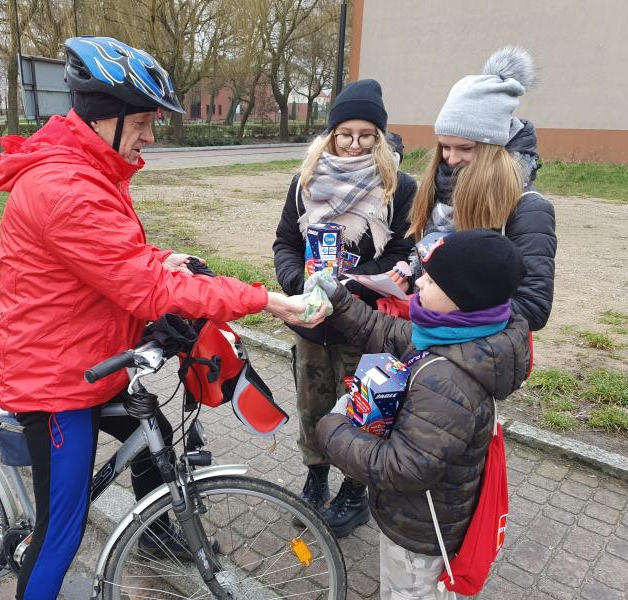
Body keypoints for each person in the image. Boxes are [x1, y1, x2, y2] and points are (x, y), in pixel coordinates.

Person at [0, 36, 322, 600]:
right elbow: (144, 288)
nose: (149, 136)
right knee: (60, 535)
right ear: (107, 117)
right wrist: (266, 299)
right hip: (57, 385)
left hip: (89, 362)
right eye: (143, 121)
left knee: (152, 436)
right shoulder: (66, 187)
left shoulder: (87, 169)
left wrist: (157, 259)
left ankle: (157, 534)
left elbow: (110, 260)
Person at [309, 228, 530, 599]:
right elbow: (382, 329)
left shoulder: (447, 382)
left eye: (432, 278)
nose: (419, 280)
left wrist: (332, 428)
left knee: (408, 590)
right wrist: (339, 299)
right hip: (426, 516)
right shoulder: (456, 335)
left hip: (420, 532)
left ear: (464, 298)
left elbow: (402, 468)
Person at [272, 79, 417, 537]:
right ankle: (315, 478)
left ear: (379, 137)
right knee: (313, 404)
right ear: (330, 135)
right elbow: (286, 243)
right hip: (312, 322)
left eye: (365, 135)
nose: (354, 145)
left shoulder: (400, 187)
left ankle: (354, 492)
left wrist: (353, 284)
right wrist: (300, 284)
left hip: (365, 324)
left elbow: (403, 252)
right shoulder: (306, 181)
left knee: (363, 407)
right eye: (344, 134)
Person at [391, 47, 556, 332]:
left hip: (479, 354)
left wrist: (448, 304)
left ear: (494, 147)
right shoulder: (437, 189)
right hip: (429, 334)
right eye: (444, 146)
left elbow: (533, 307)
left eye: (465, 148)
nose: (451, 159)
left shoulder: (527, 209)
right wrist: (410, 276)